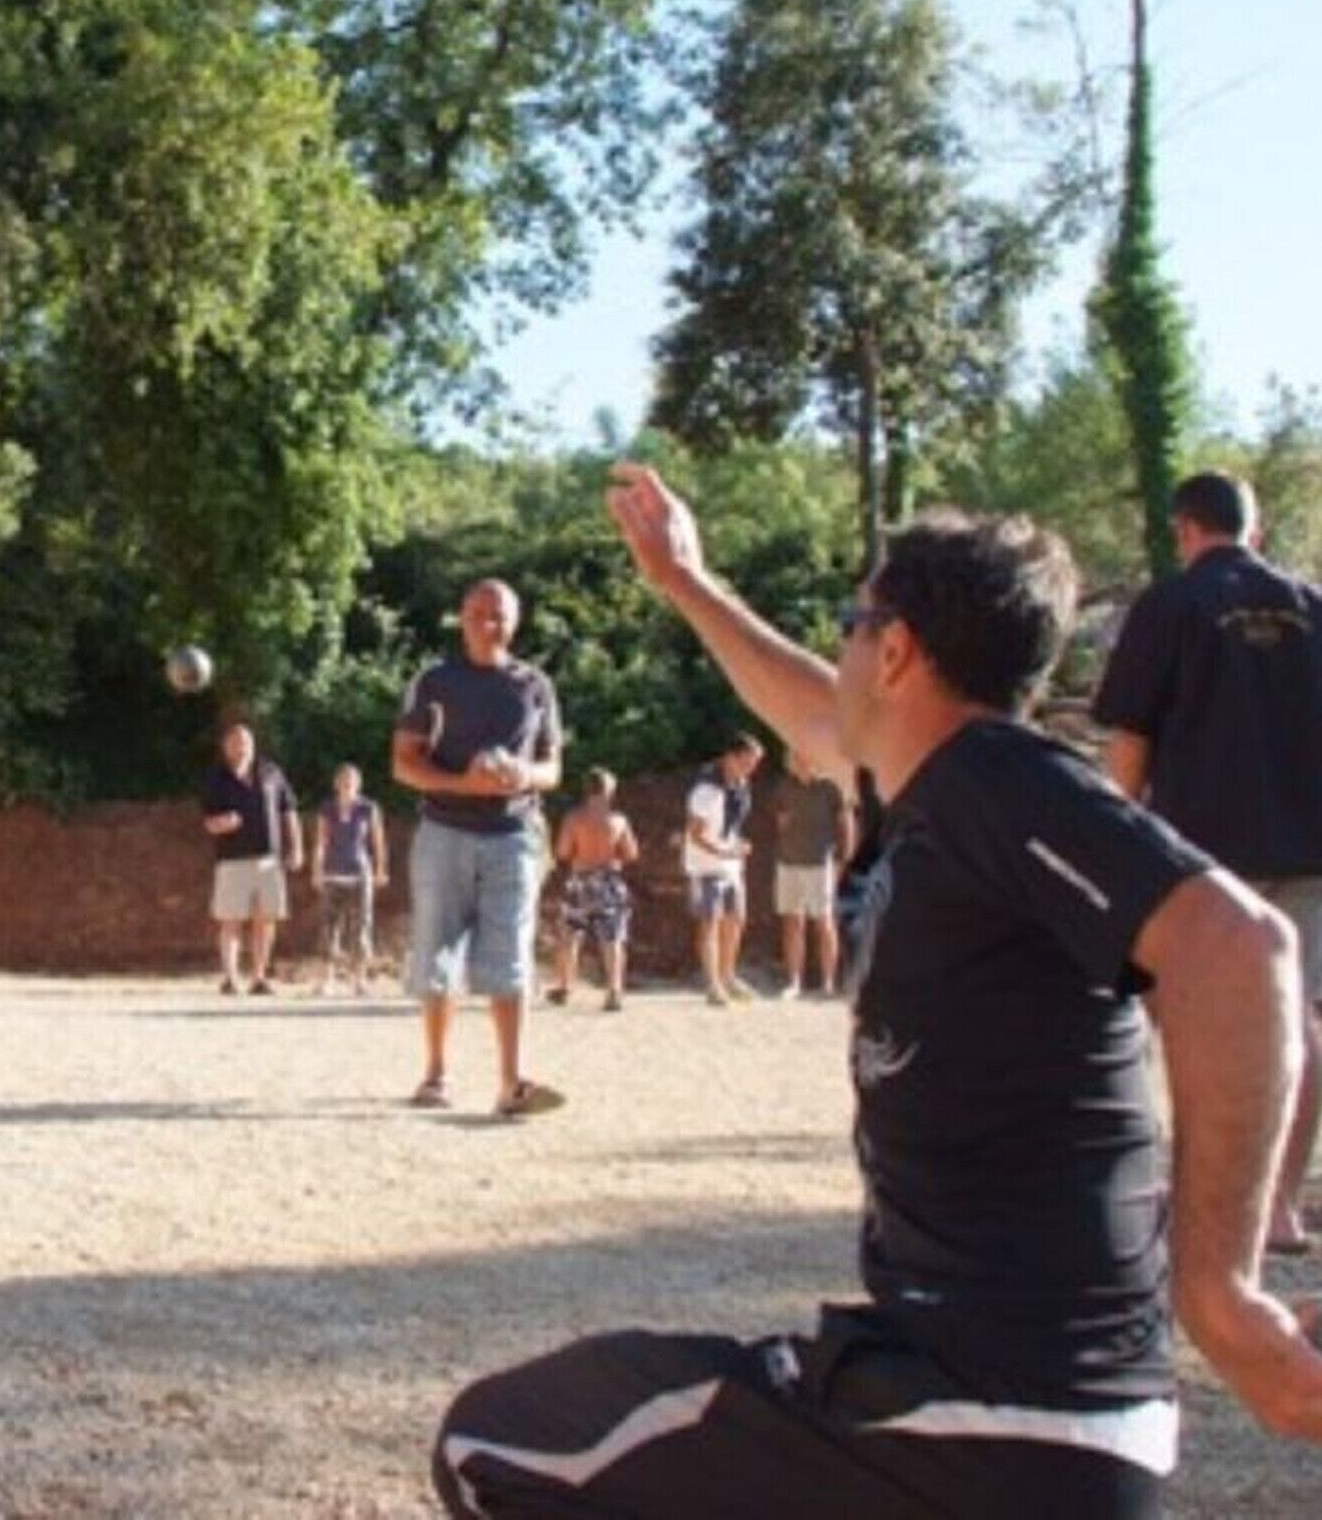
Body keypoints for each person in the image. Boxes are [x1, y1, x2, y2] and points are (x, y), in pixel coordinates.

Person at [430, 465, 1322, 1517]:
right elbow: (811, 714)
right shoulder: (938, 785)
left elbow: (1243, 946)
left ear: (894, 653)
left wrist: (1219, 1294)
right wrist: (682, 578)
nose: (842, 647)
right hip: (994, 1411)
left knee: (492, 1446)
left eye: (855, 622)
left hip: (986, 1417)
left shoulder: (1002, 782)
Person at [1092, 471, 1322, 1259]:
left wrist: (1110, 835)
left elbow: (1129, 737)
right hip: (1307, 846)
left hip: (1197, 852)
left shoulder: (1171, 605)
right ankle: (1281, 1205)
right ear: (1253, 529)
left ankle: (1198, 1198)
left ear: (1186, 529)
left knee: (1182, 1017)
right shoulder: (1311, 606)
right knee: (1297, 1018)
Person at [392, 578, 565, 1117]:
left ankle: (512, 1084)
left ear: (516, 621)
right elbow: (403, 763)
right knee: (436, 952)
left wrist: (523, 776)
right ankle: (435, 1074)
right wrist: (462, 784)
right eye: (477, 613)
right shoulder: (434, 682)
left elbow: (554, 768)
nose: (487, 623)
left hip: (514, 836)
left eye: (498, 615)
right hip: (444, 833)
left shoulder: (535, 686)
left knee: (510, 956)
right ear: (460, 618)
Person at [201, 721, 300, 995]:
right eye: (234, 742)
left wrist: (297, 848)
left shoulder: (271, 772)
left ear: (253, 745)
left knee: (266, 920)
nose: (241, 746)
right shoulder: (216, 778)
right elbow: (208, 821)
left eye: (245, 741)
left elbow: (288, 810)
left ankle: (259, 977)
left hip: (269, 860)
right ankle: (230, 978)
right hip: (232, 860)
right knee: (230, 920)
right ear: (226, 747)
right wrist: (223, 823)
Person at [684, 731, 764, 1004]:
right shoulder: (706, 788)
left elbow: (731, 825)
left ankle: (728, 975)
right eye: (747, 762)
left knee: (736, 918)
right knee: (710, 922)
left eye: (754, 763)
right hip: (706, 865)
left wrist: (736, 846)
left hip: (730, 865)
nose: (751, 769)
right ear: (731, 757)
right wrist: (724, 851)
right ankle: (712, 984)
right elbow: (695, 833)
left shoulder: (740, 785)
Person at [551, 768, 637, 1012]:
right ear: (608, 790)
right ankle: (614, 990)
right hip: (609, 880)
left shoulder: (573, 818)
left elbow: (563, 852)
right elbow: (631, 852)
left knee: (570, 934)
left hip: (580, 879)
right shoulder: (618, 820)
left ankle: (565, 986)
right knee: (612, 938)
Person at [774, 746, 852, 999]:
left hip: (821, 863)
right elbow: (781, 821)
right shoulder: (784, 787)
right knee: (792, 921)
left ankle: (828, 983)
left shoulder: (832, 788)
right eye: (795, 757)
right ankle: (794, 982)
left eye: (804, 755)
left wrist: (843, 860)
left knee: (824, 922)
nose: (800, 760)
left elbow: (846, 826)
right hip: (788, 862)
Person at [311, 763, 389, 994]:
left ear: (359, 783)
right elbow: (320, 842)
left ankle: (359, 980)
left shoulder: (368, 808)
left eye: (352, 780)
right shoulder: (327, 808)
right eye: (343, 779)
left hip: (360, 873)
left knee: (362, 926)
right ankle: (327, 979)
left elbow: (378, 841)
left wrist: (381, 869)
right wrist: (316, 870)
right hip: (332, 873)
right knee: (329, 927)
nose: (347, 783)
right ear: (336, 783)